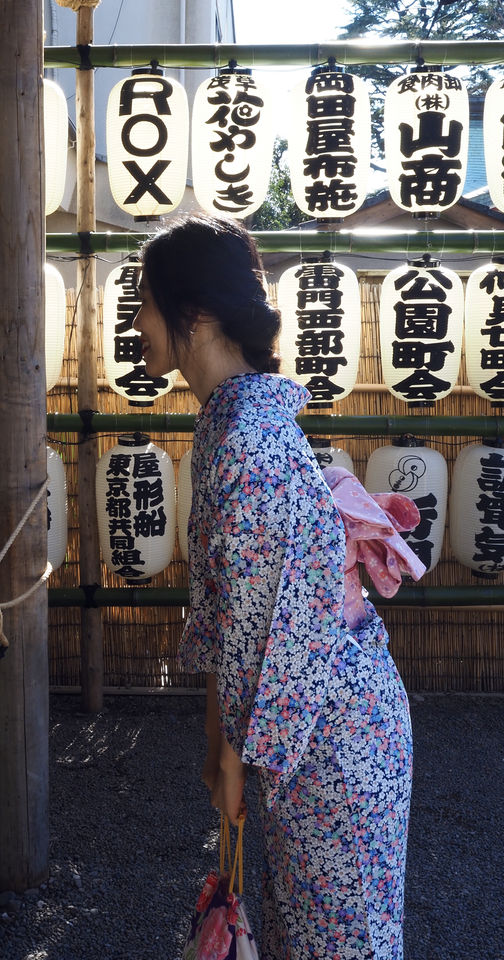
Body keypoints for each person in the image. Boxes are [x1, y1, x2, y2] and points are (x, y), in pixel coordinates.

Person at [134, 212, 424, 960]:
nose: (135, 319)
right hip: (315, 728)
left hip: (333, 738)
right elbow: (228, 609)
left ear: (192, 314)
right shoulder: (234, 423)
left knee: (341, 943)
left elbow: (284, 623)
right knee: (307, 933)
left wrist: (230, 758)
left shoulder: (246, 438)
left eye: (146, 300)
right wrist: (215, 744)